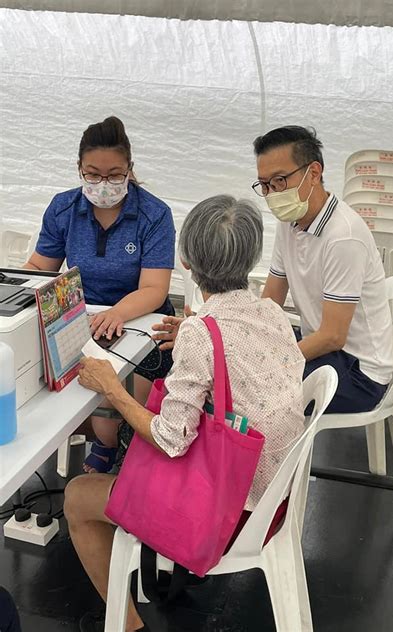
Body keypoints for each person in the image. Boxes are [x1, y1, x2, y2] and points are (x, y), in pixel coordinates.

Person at [64, 195, 305, 632]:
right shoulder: (271, 313)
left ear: (187, 262)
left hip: (229, 514)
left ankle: (128, 624)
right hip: (273, 497)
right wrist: (196, 333)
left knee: (78, 496)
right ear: (251, 257)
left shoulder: (202, 332)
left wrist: (111, 389)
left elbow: (171, 439)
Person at [24, 116, 176, 472]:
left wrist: (118, 314)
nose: (103, 184)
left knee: (130, 402)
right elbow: (39, 269)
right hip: (80, 322)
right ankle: (106, 440)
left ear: (130, 170)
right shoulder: (64, 209)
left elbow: (154, 289)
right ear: (79, 169)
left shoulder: (154, 215)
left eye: (114, 175)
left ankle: (120, 447)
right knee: (46, 394)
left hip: (142, 321)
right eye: (93, 174)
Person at [252, 125, 393, 413]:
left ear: (314, 173)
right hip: (321, 348)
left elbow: (333, 335)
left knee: (252, 388)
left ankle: (268, 457)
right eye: (264, 185)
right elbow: (270, 302)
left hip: (359, 372)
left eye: (279, 180)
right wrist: (231, 334)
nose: (272, 194)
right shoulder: (289, 222)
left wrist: (272, 359)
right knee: (235, 364)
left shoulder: (343, 236)